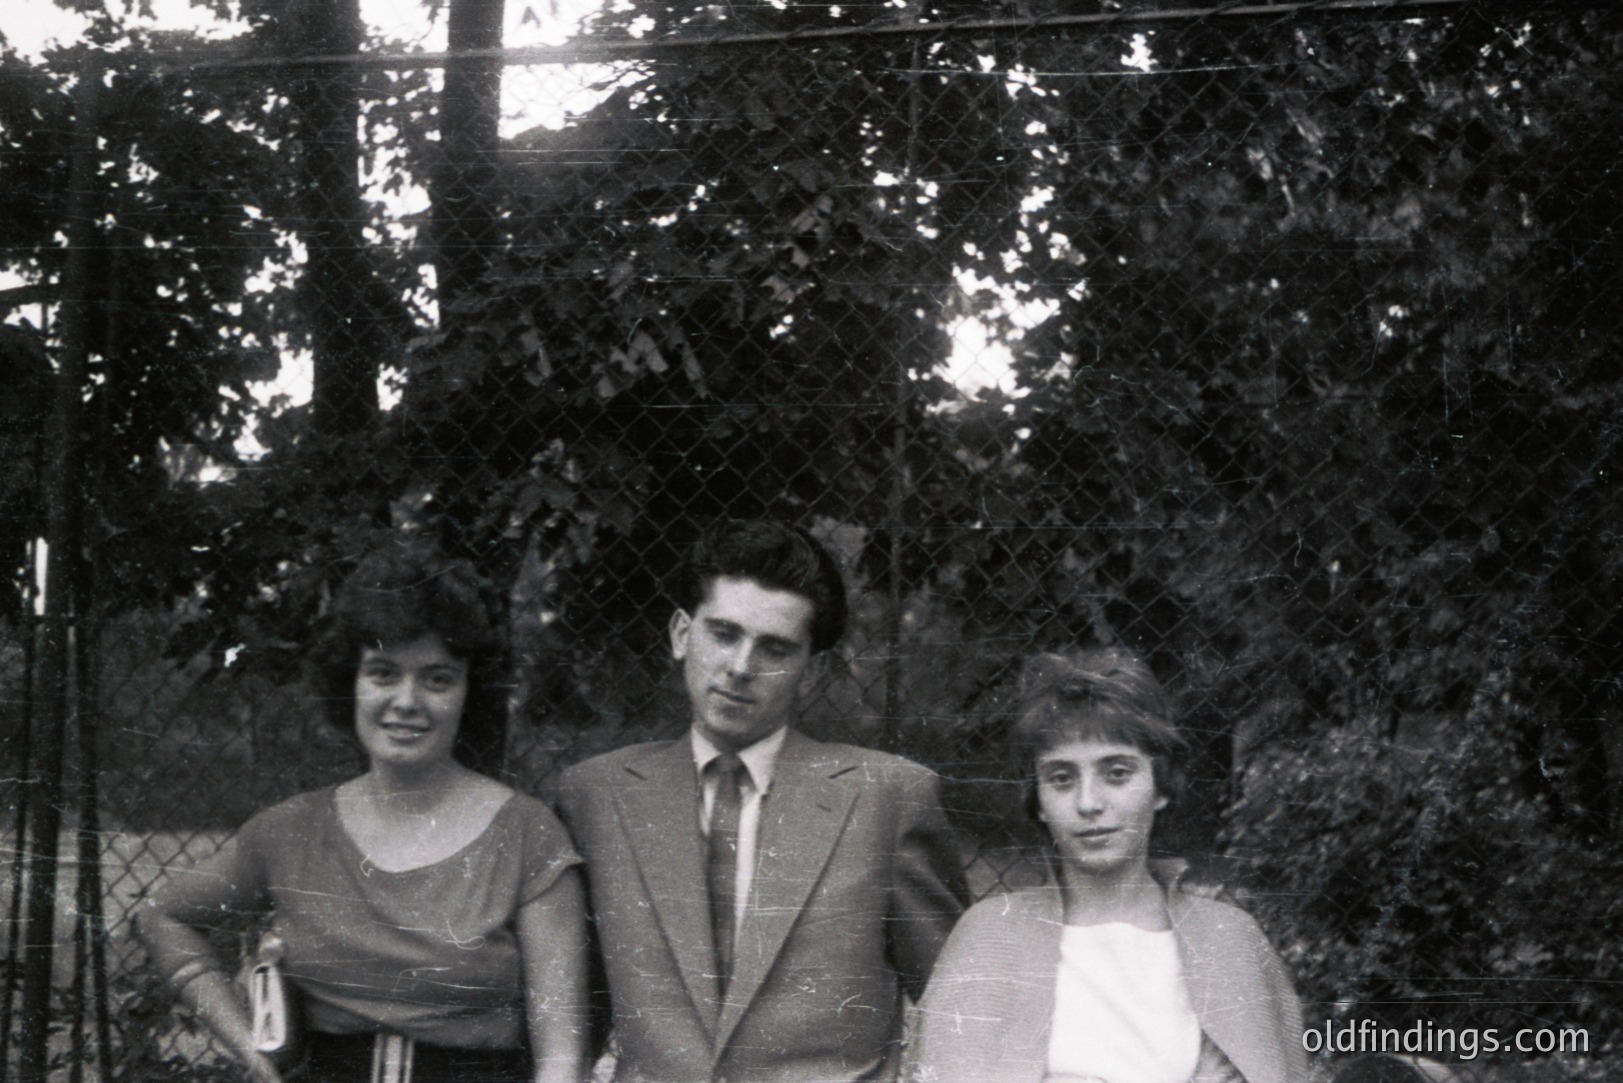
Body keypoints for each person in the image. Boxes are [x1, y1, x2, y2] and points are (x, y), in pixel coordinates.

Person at [136, 547, 590, 1083]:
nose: (406, 700)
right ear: (349, 682)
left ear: (470, 693)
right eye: (382, 673)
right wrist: (250, 1051)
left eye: (437, 679)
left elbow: (562, 1058)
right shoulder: (289, 832)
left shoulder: (527, 836)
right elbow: (163, 916)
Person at [555, 518, 969, 1082]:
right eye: (723, 634)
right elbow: (570, 1012)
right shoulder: (594, 797)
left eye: (774, 648)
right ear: (681, 634)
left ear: (811, 668)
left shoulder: (886, 799)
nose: (741, 667)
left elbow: (965, 1008)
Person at [907, 648, 1306, 1083]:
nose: (1088, 803)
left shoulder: (1230, 940)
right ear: (1037, 799)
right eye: (1061, 778)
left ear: (1161, 787)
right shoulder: (988, 938)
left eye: (1116, 773)